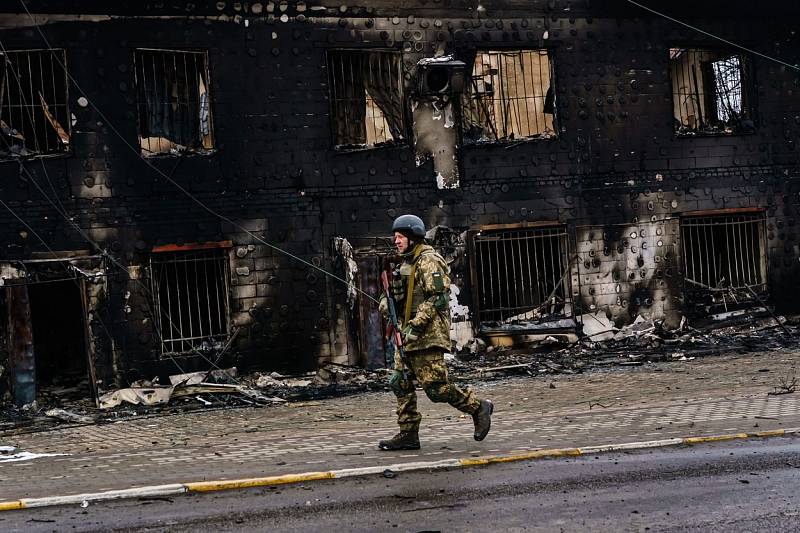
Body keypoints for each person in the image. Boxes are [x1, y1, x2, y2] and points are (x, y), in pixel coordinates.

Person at [378, 214, 493, 451]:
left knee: (436, 389)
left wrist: (415, 326)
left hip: (426, 336)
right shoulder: (405, 263)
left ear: (412, 238)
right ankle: (408, 433)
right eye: (395, 237)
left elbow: (438, 298)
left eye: (400, 237)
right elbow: (394, 297)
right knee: (399, 382)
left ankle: (478, 407)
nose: (396, 241)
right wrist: (385, 304)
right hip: (406, 335)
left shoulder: (429, 261)